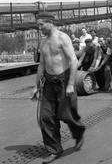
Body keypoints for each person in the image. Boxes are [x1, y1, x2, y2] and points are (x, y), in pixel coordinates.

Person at [30, 12, 85, 164]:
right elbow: (41, 64)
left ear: (51, 22)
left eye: (41, 24)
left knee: (67, 115)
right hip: (48, 82)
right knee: (46, 117)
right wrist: (35, 86)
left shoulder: (63, 37)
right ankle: (54, 150)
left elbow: (74, 61)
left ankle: (78, 131)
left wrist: (71, 84)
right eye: (38, 25)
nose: (39, 27)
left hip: (64, 80)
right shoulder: (42, 42)